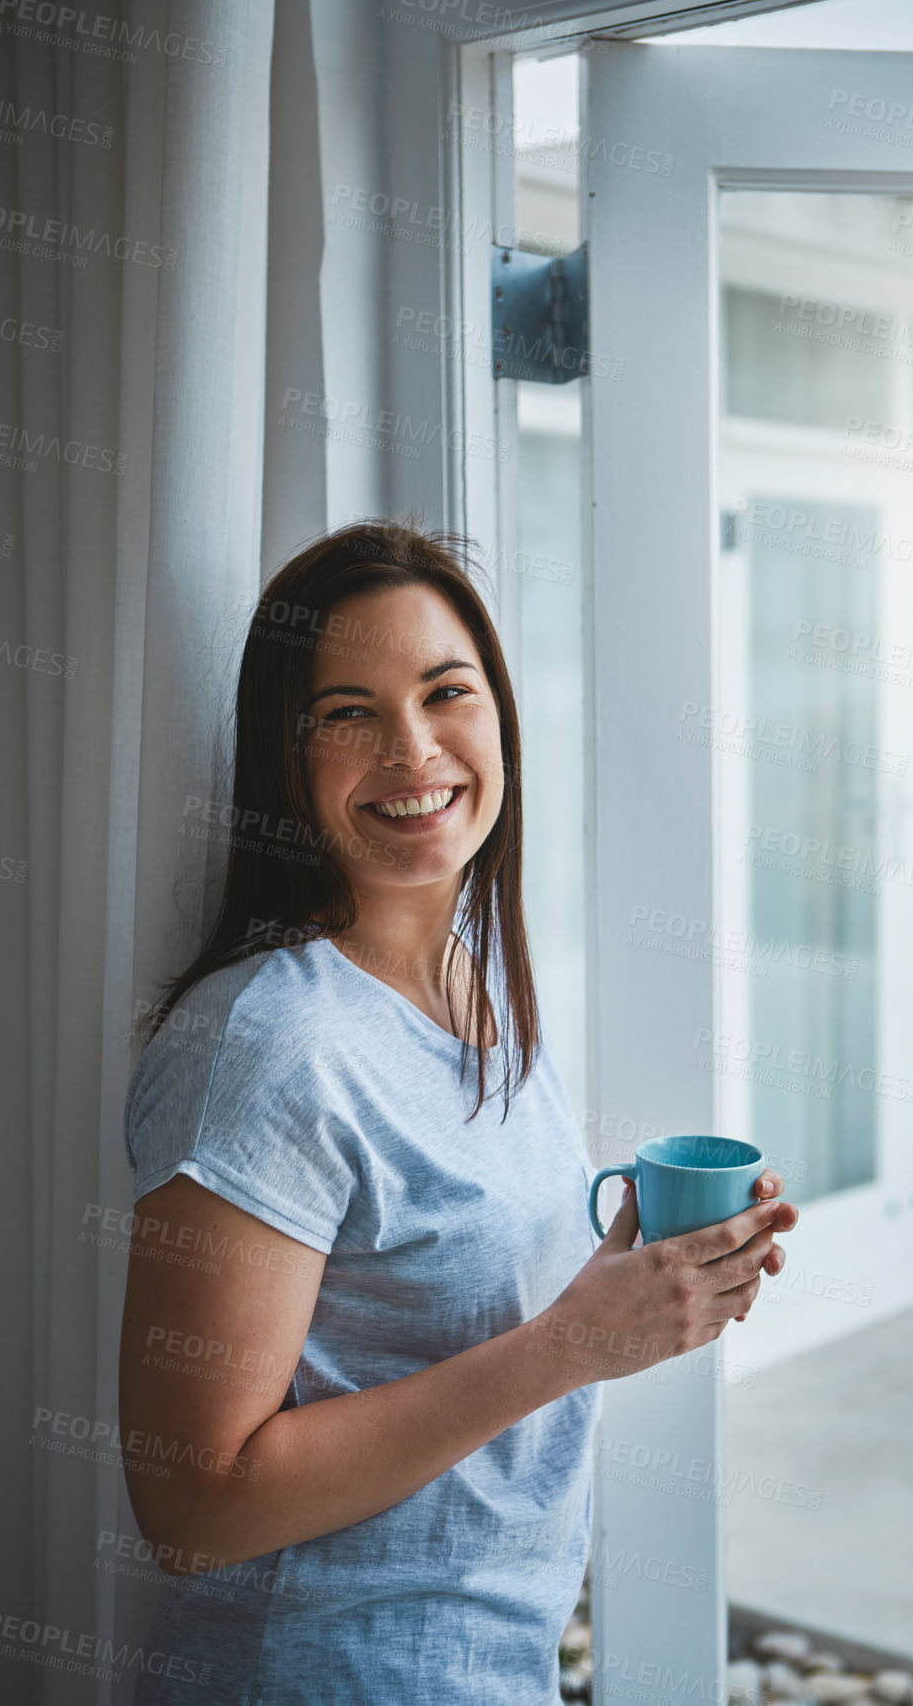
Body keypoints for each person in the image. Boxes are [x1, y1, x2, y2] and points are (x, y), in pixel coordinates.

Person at [118, 518, 798, 1704]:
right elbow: (192, 1502)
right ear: (285, 757)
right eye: (346, 712)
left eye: (447, 692)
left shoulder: (476, 982)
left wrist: (645, 1283)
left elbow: (439, 1304)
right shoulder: (270, 1043)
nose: (412, 749)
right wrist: (573, 1344)